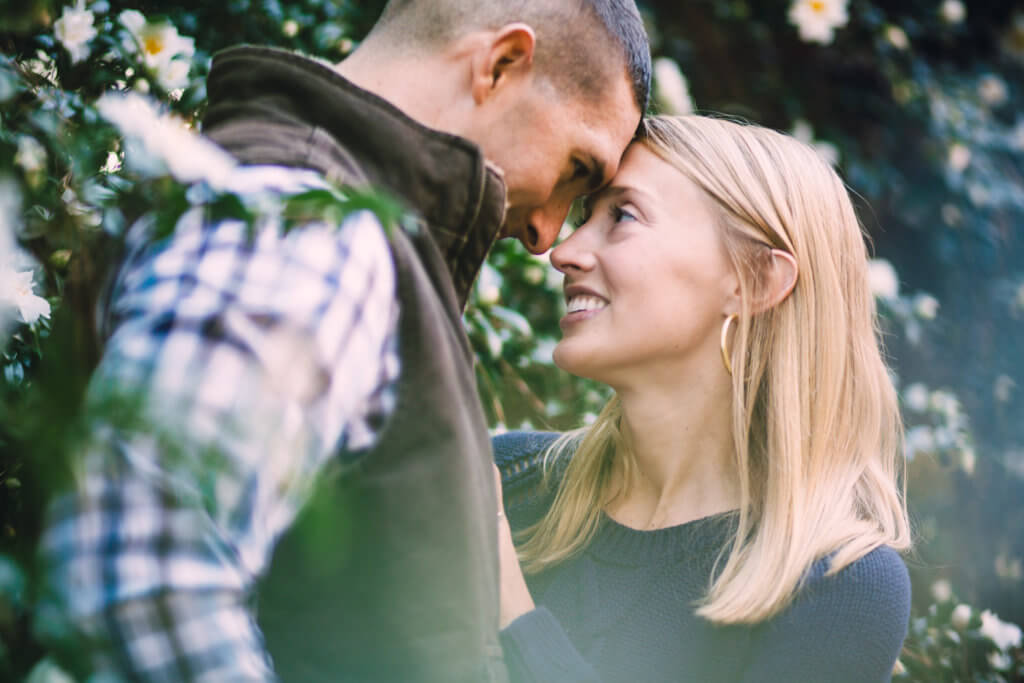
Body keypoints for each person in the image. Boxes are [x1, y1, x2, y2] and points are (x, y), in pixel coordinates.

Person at [37, 2, 650, 681]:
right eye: (576, 169)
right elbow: (143, 572)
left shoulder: (288, 208)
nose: (546, 231)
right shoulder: (309, 229)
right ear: (501, 64)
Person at [493, 114, 913, 683]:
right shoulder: (507, 478)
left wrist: (504, 600)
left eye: (623, 215)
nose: (564, 251)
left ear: (754, 281)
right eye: (584, 215)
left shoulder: (839, 588)